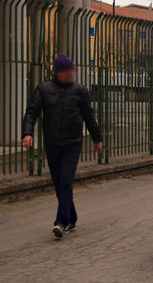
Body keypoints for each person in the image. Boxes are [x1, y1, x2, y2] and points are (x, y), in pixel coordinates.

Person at [22, 53, 103, 238]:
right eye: (66, 70)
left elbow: (90, 117)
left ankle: (61, 222)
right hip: (52, 143)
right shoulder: (43, 89)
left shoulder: (80, 91)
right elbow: (31, 112)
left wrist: (97, 139)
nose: (70, 73)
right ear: (58, 72)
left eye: (71, 70)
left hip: (72, 144)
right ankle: (72, 218)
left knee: (66, 180)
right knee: (59, 184)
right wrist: (27, 133)